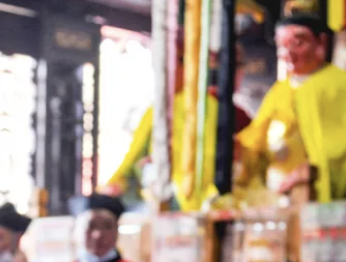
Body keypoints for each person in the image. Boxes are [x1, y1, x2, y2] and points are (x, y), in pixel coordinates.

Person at [236, 10, 346, 202]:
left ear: (321, 42)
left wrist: (311, 170)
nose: (287, 53)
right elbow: (257, 136)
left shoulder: (341, 85)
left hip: (314, 192)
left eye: (297, 43)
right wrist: (241, 149)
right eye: (281, 45)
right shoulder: (280, 89)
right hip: (277, 192)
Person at [103, 43, 251, 212]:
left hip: (215, 201)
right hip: (165, 196)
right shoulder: (158, 110)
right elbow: (133, 157)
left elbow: (248, 157)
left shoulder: (226, 111)